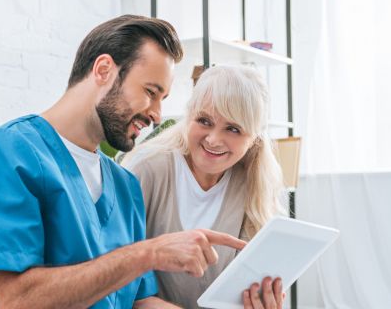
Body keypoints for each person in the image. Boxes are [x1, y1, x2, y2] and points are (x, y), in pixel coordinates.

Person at [0, 15, 247, 309]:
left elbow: (139, 302)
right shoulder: (5, 153)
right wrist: (147, 253)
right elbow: (15, 299)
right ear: (104, 70)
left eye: (163, 99)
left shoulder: (124, 184)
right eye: (150, 92)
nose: (157, 114)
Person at [122, 65, 287, 308]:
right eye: (204, 121)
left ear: (253, 139)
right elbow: (121, 287)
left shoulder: (252, 185)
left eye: (233, 129)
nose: (213, 139)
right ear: (189, 116)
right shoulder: (148, 170)